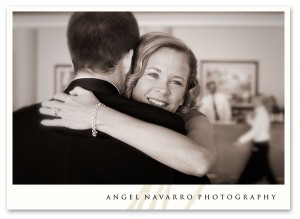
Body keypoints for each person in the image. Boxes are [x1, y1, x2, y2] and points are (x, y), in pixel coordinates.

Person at [13, 12, 212, 184]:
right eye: (152, 74)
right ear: (130, 65)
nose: (163, 89)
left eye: (177, 81)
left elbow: (199, 160)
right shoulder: (171, 134)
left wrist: (97, 114)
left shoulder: (15, 124)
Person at [235, 95, 277, 184]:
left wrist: (240, 140)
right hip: (261, 145)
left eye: (255, 101)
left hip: (260, 145)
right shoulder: (261, 113)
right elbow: (256, 125)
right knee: (266, 169)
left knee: (252, 167)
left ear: (260, 103)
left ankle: (240, 184)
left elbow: (255, 131)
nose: (253, 102)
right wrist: (249, 118)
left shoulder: (262, 114)